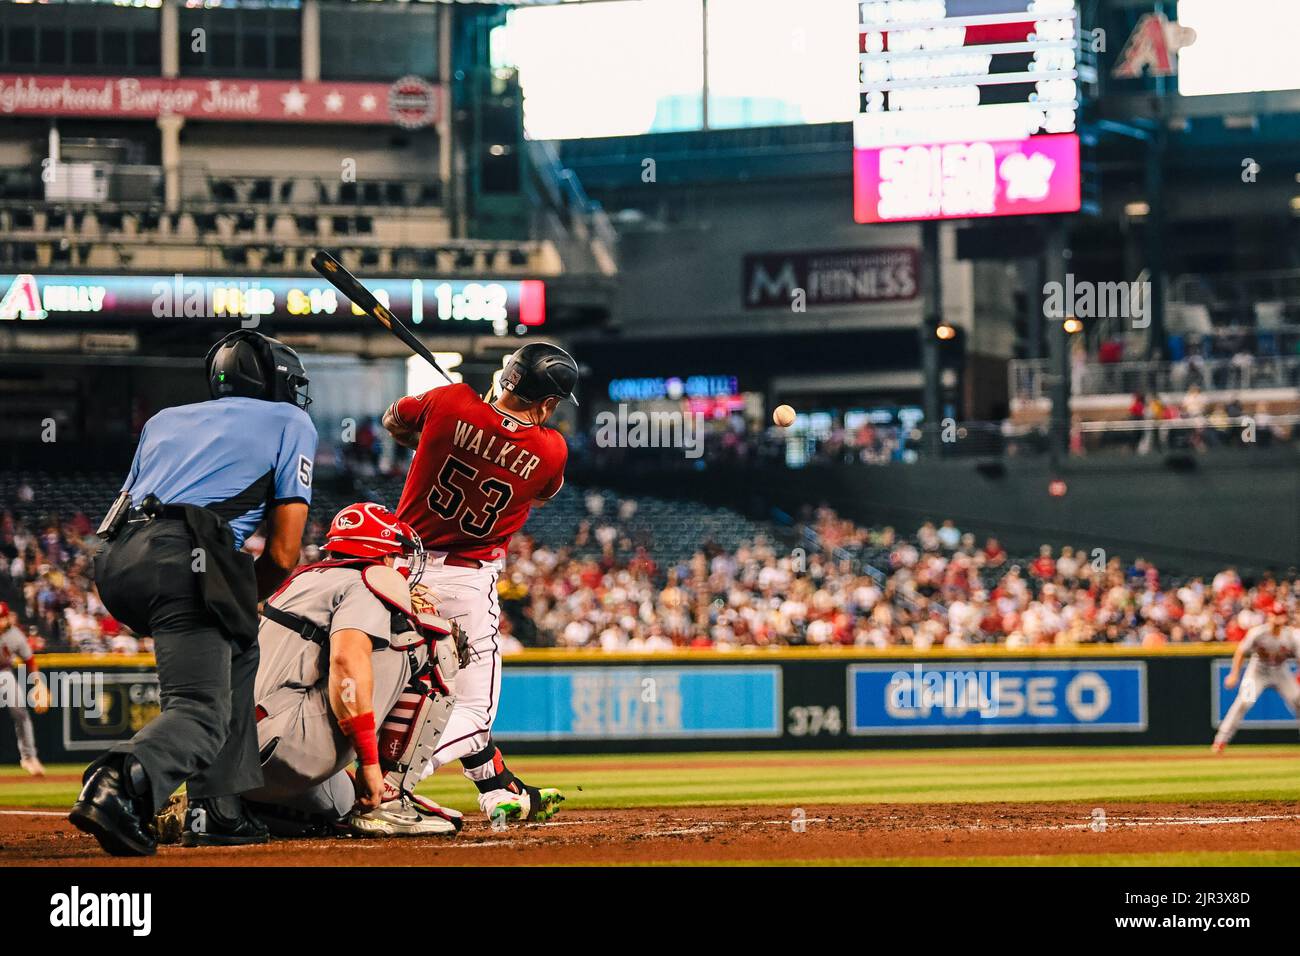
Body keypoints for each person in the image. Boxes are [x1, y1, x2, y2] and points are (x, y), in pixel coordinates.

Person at [69, 330, 317, 857]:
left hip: (116, 561)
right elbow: (283, 553)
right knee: (201, 711)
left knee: (239, 649)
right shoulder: (292, 421)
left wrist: (234, 607)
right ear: (272, 382)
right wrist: (244, 593)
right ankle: (115, 783)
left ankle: (219, 809)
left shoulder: (164, 419)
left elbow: (127, 504)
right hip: (186, 557)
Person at [382, 342, 577, 825]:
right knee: (472, 714)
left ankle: (497, 789)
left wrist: (444, 435)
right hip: (463, 585)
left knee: (406, 691)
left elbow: (394, 422)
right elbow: (542, 491)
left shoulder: (448, 401)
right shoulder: (551, 450)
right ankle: (386, 782)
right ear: (548, 403)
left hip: (394, 572)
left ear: (506, 374)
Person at [238, 502, 464, 838]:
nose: (398, 563)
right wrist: (369, 764)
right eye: (395, 554)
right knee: (432, 638)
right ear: (381, 554)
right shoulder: (367, 581)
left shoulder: (303, 579)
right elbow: (346, 662)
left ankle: (243, 807)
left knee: (344, 807)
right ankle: (390, 796)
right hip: (281, 747)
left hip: (239, 757)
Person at [1213, 602, 1300, 753]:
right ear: (1269, 616)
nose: (1276, 619)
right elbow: (1241, 651)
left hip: (1281, 672)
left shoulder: (1290, 636)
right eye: (1273, 615)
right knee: (1244, 701)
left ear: (1284, 618)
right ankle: (1220, 740)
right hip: (1257, 671)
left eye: (1279, 615)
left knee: (1298, 699)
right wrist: (1234, 674)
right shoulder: (1258, 633)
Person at [0, 602, 45, 777]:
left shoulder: (16, 636)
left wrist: (38, 683)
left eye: (3, 617)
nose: (1, 621)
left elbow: (29, 661)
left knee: (20, 711)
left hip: (4, 673)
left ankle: (29, 757)